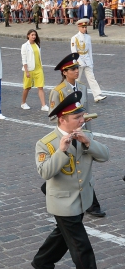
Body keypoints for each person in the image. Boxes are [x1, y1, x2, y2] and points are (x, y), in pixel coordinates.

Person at [31, 92, 111, 269]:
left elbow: (105, 155)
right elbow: (45, 172)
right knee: (81, 246)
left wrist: (87, 143)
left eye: (82, 116)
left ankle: (42, 261)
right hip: (62, 202)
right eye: (77, 118)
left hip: (81, 200)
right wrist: (62, 151)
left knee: (61, 234)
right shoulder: (46, 143)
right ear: (62, 119)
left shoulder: (85, 135)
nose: (82, 120)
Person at [47, 53, 104, 218]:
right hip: (68, 136)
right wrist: (69, 122)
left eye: (77, 68)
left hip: (83, 134)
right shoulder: (57, 91)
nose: (76, 71)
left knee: (84, 167)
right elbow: (52, 116)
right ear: (64, 72)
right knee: (73, 168)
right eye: (72, 69)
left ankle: (90, 203)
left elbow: (84, 110)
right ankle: (91, 204)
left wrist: (88, 133)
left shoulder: (83, 88)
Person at [71, 18, 107, 103]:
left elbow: (90, 50)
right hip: (79, 61)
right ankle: (74, 96)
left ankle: (97, 95)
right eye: (83, 27)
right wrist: (78, 61)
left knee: (92, 78)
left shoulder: (88, 37)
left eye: (85, 27)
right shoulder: (74, 38)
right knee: (77, 79)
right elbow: (74, 51)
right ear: (79, 27)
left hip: (87, 59)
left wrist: (91, 62)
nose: (84, 29)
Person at [20, 30, 49, 111]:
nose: (34, 36)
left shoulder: (37, 45)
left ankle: (43, 105)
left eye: (35, 35)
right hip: (29, 69)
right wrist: (26, 71)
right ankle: (23, 103)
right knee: (27, 87)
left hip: (39, 69)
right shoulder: (25, 46)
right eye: (32, 35)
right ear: (28, 35)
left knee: (40, 87)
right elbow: (24, 60)